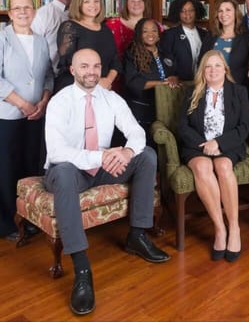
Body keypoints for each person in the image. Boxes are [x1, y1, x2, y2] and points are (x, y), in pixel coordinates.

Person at [44, 48, 170, 316]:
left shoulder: (111, 98)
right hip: (70, 171)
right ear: (73, 70)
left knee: (146, 155)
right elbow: (56, 151)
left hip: (102, 167)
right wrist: (100, 156)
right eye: (85, 66)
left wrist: (125, 152)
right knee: (65, 171)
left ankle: (137, 235)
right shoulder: (60, 101)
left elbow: (136, 132)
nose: (91, 71)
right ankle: (82, 269)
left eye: (96, 65)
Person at [0, 0, 53, 241]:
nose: (23, 12)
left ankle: (29, 217)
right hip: (6, 116)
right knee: (5, 169)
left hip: (35, 115)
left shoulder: (42, 41)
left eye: (27, 8)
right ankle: (4, 225)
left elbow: (48, 75)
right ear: (10, 13)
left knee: (30, 168)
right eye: (17, 9)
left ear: (34, 12)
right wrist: (23, 104)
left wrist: (44, 100)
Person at [178, 50, 249, 263]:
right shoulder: (193, 92)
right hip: (197, 145)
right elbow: (182, 126)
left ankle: (234, 228)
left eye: (217, 65)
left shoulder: (238, 92)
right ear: (203, 70)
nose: (212, 70)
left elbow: (244, 127)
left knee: (224, 168)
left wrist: (219, 144)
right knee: (202, 168)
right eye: (208, 66)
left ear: (225, 69)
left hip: (229, 145)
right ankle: (220, 229)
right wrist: (205, 146)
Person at [124, 18, 181, 146]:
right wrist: (161, 84)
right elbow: (132, 82)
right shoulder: (132, 53)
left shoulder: (165, 53)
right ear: (139, 34)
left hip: (165, 108)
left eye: (154, 30)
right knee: (145, 145)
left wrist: (174, 78)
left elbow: (174, 73)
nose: (150, 34)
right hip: (141, 110)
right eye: (145, 31)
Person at [55, 0, 121, 93]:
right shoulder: (69, 27)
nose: (93, 5)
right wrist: (98, 82)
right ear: (79, 4)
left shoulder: (106, 29)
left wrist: (108, 80)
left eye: (96, 1)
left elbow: (115, 61)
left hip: (101, 89)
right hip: (74, 89)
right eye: (87, 2)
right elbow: (69, 63)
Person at [106, 0, 159, 93]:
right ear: (126, 3)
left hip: (144, 79)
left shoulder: (156, 26)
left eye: (140, 0)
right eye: (132, 0)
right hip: (115, 76)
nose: (136, 3)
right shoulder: (111, 25)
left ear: (146, 4)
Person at [200, 0, 249, 89]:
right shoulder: (210, 36)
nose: (224, 14)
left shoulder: (247, 37)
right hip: (210, 89)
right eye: (220, 11)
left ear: (235, 13)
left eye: (228, 10)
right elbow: (201, 63)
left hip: (238, 90)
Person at [31, 0, 77, 76]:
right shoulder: (42, 14)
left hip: (74, 77)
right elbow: (33, 50)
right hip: (49, 77)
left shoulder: (79, 14)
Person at [160, 0, 207, 81]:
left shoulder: (205, 34)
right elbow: (166, 59)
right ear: (177, 13)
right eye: (183, 11)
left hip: (202, 81)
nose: (187, 14)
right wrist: (172, 75)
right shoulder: (170, 34)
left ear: (196, 11)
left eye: (191, 10)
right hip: (180, 83)